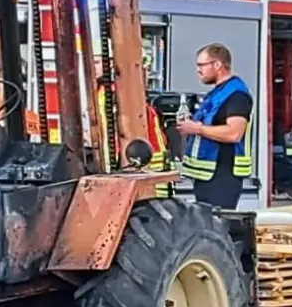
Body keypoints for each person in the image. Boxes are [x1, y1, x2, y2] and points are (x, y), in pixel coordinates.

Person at [178, 43, 253, 210]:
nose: (198, 70)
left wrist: (197, 129)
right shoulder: (218, 93)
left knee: (217, 225)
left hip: (223, 175)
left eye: (201, 65)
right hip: (208, 176)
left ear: (218, 64)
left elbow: (234, 133)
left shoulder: (237, 95)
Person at [94, 57, 173, 197]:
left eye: (97, 62)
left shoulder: (117, 94)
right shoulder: (102, 93)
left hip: (133, 171)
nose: (146, 73)